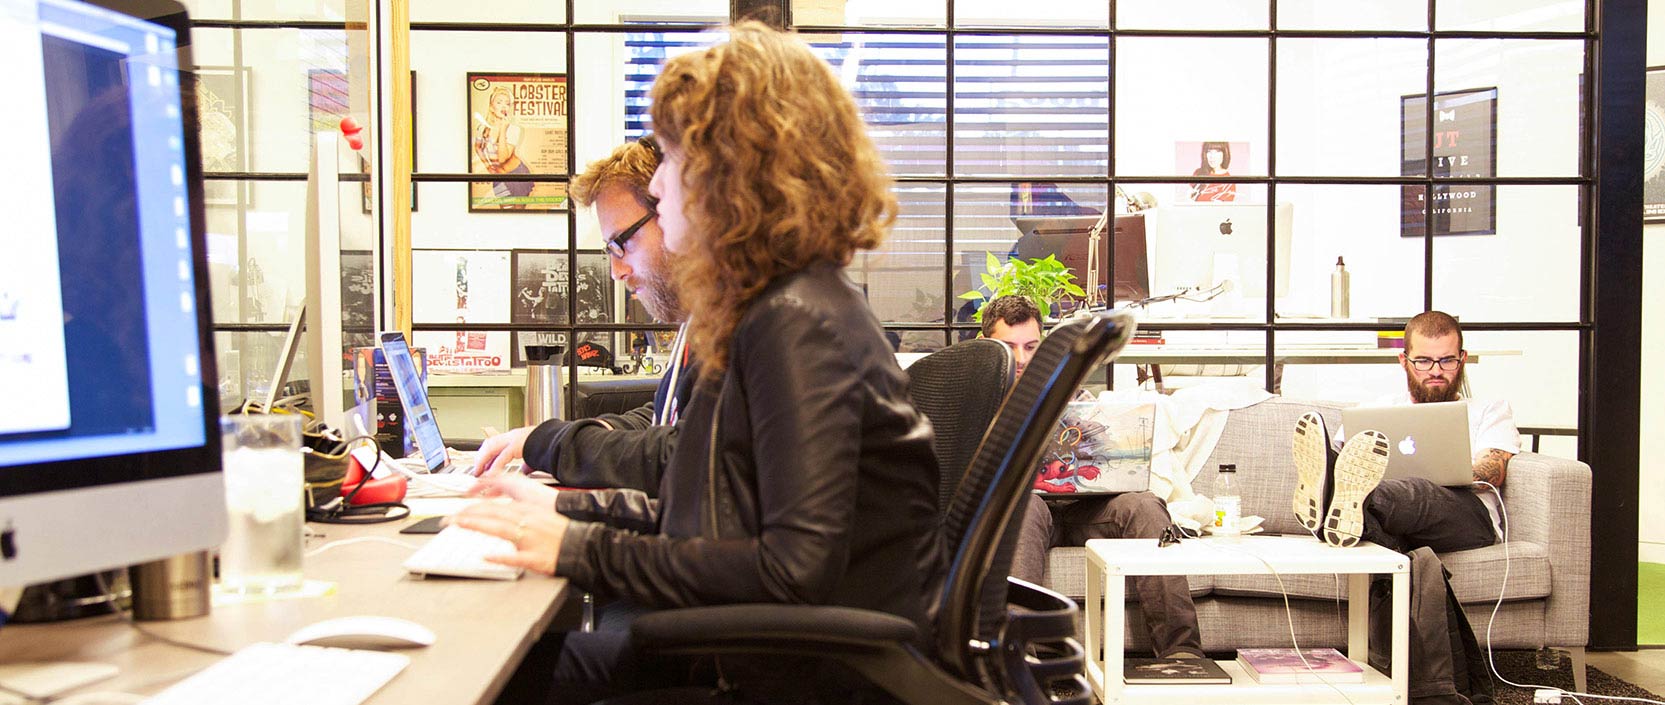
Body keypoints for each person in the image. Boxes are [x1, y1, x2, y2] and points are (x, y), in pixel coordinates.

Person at [452, 22, 943, 702]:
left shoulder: (795, 322)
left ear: (729, 173)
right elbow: (709, 515)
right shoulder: (770, 311)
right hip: (771, 660)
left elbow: (790, 570)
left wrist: (577, 546)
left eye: (673, 157)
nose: (657, 182)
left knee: (488, 680)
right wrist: (565, 508)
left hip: (806, 681)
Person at [987, 295, 1205, 659]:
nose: (1022, 359)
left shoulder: (1071, 394)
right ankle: (1018, 659)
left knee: (1144, 505)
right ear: (987, 345)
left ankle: (1181, 654)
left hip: (1084, 509)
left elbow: (1104, 450)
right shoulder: (976, 398)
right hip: (1028, 512)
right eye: (1010, 347)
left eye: (1031, 347)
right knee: (1025, 508)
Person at [472, 137, 691, 491]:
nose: (616, 271)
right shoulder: (698, 323)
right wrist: (572, 436)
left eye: (621, 243)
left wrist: (555, 447)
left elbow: (679, 456)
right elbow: (663, 419)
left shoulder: (744, 322)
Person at [1295, 310, 1519, 554]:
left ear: (1462, 359)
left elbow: (1493, 471)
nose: (1435, 371)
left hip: (1467, 518)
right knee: (1360, 524)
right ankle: (1338, 508)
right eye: (1423, 361)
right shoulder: (1376, 410)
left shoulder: (1490, 410)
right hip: (1399, 527)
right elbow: (1348, 459)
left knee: (1418, 491)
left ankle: (1334, 497)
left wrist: (1442, 478)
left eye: (1447, 360)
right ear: (1404, 361)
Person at [474, 85, 533, 208]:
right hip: (499, 177)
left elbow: (503, 158)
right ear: (491, 107)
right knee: (504, 210)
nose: (503, 106)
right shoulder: (482, 128)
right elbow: (478, 147)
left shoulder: (514, 129)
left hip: (517, 174)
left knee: (519, 213)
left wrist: (503, 130)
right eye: (499, 102)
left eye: (507, 103)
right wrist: (488, 166)